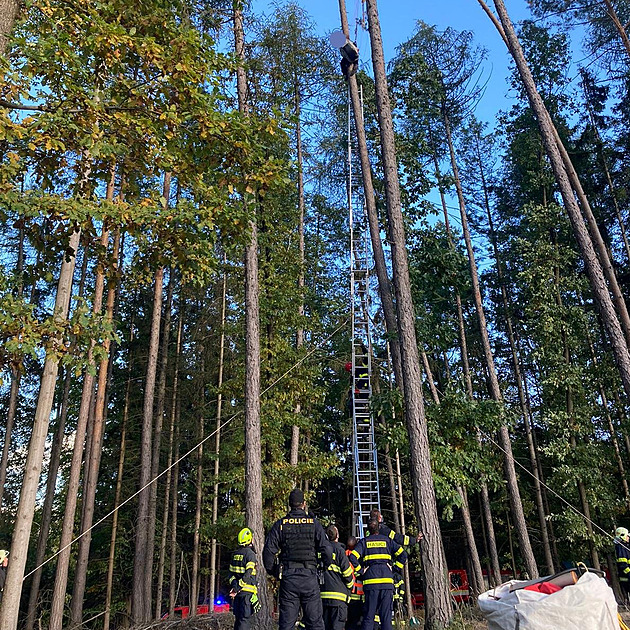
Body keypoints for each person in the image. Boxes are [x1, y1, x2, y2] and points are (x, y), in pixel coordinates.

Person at [263, 488, 332, 630]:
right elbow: (327, 550)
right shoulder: (314, 524)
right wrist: (324, 566)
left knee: (287, 625)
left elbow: (268, 553)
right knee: (315, 624)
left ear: (289, 504)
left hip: (289, 578)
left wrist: (275, 572)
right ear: (304, 504)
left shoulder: (281, 525)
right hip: (310, 578)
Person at [349, 518, 407, 630]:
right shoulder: (387, 541)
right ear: (378, 528)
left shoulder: (364, 542)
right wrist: (394, 569)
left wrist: (361, 571)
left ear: (368, 530)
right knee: (386, 618)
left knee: (369, 617)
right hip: (386, 583)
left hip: (371, 584)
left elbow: (353, 556)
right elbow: (403, 554)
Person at [321, 526, 353, 630]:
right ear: (337, 535)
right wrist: (350, 586)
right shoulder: (340, 551)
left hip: (322, 597)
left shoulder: (321, 550)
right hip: (339, 599)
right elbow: (347, 573)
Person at [229, 528, 259, 630]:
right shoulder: (250, 554)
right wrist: (239, 587)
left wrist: (235, 587)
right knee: (244, 621)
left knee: (238, 620)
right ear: (250, 540)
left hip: (238, 595)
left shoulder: (235, 555)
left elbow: (231, 575)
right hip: (246, 595)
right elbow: (248, 573)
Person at [345, 537, 363, 630]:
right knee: (358, 622)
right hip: (359, 594)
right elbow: (359, 573)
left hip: (348, 593)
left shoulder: (344, 555)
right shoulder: (358, 556)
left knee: (350, 621)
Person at [615, 526, 630, 603]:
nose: (628, 538)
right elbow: (623, 564)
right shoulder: (621, 548)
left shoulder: (625, 547)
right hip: (626, 577)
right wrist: (629, 573)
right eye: (627, 536)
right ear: (623, 535)